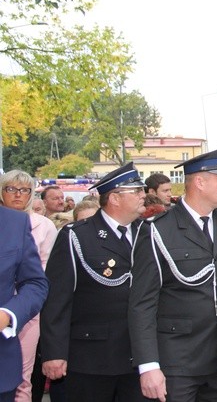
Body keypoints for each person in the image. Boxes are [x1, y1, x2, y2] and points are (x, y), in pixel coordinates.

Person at [129, 147, 217, 402]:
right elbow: (142, 304)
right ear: (199, 182)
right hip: (177, 362)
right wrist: (148, 365)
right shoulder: (158, 229)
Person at [40, 162, 148, 402]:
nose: (144, 195)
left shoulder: (148, 232)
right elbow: (57, 298)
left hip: (140, 356)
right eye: (137, 191)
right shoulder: (77, 236)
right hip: (92, 357)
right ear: (115, 199)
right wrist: (53, 352)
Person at [0, 171, 57, 402]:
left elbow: (35, 282)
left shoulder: (15, 224)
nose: (17, 195)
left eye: (23, 190)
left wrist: (8, 313)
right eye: (12, 189)